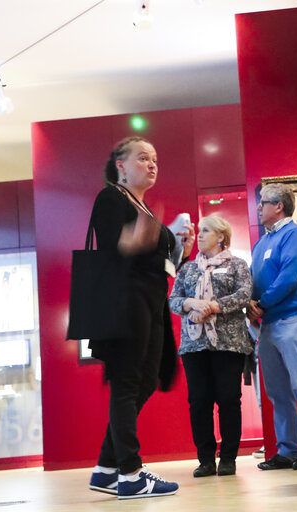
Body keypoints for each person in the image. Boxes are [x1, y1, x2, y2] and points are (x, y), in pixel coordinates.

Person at [87, 136, 195, 499]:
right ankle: (130, 473)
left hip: (151, 304)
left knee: (147, 380)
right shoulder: (111, 198)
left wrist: (182, 247)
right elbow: (119, 248)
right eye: (143, 158)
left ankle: (105, 468)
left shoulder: (144, 209)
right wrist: (146, 234)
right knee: (127, 383)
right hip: (125, 304)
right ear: (121, 164)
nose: (152, 165)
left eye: (155, 160)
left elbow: (167, 267)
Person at [247, 183, 297, 471]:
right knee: (278, 392)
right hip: (267, 325)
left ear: (278, 206)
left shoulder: (295, 235)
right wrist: (250, 304)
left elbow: (288, 278)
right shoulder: (261, 243)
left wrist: (261, 303)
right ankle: (288, 449)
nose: (258, 208)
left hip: (293, 319)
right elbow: (254, 283)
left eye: (263, 203)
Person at [169, 215, 254, 478]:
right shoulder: (188, 269)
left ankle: (228, 457)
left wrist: (214, 306)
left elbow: (244, 294)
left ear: (220, 237)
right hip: (194, 346)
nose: (200, 235)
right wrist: (192, 304)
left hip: (229, 344)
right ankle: (205, 459)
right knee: (199, 402)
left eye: (206, 231)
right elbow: (173, 300)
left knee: (229, 400)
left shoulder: (237, 265)